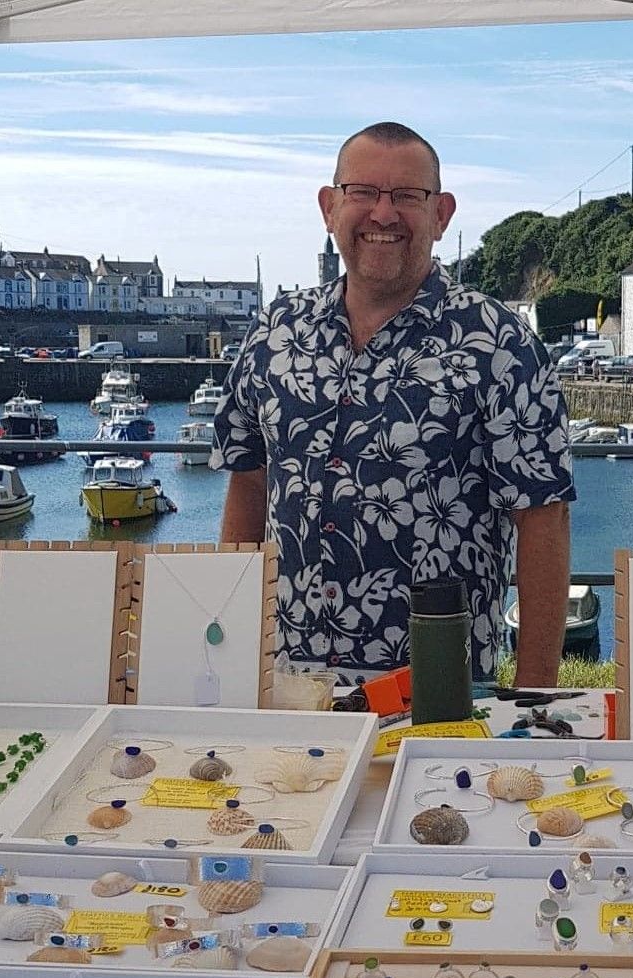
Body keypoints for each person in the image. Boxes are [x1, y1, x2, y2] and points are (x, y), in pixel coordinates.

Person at [213, 121, 574, 686]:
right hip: (282, 680)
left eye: (407, 196)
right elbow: (248, 482)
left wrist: (531, 700)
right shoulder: (275, 332)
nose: (383, 214)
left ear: (442, 214)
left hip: (438, 695)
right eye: (363, 193)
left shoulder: (500, 345)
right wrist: (228, 651)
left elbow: (543, 520)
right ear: (330, 207)